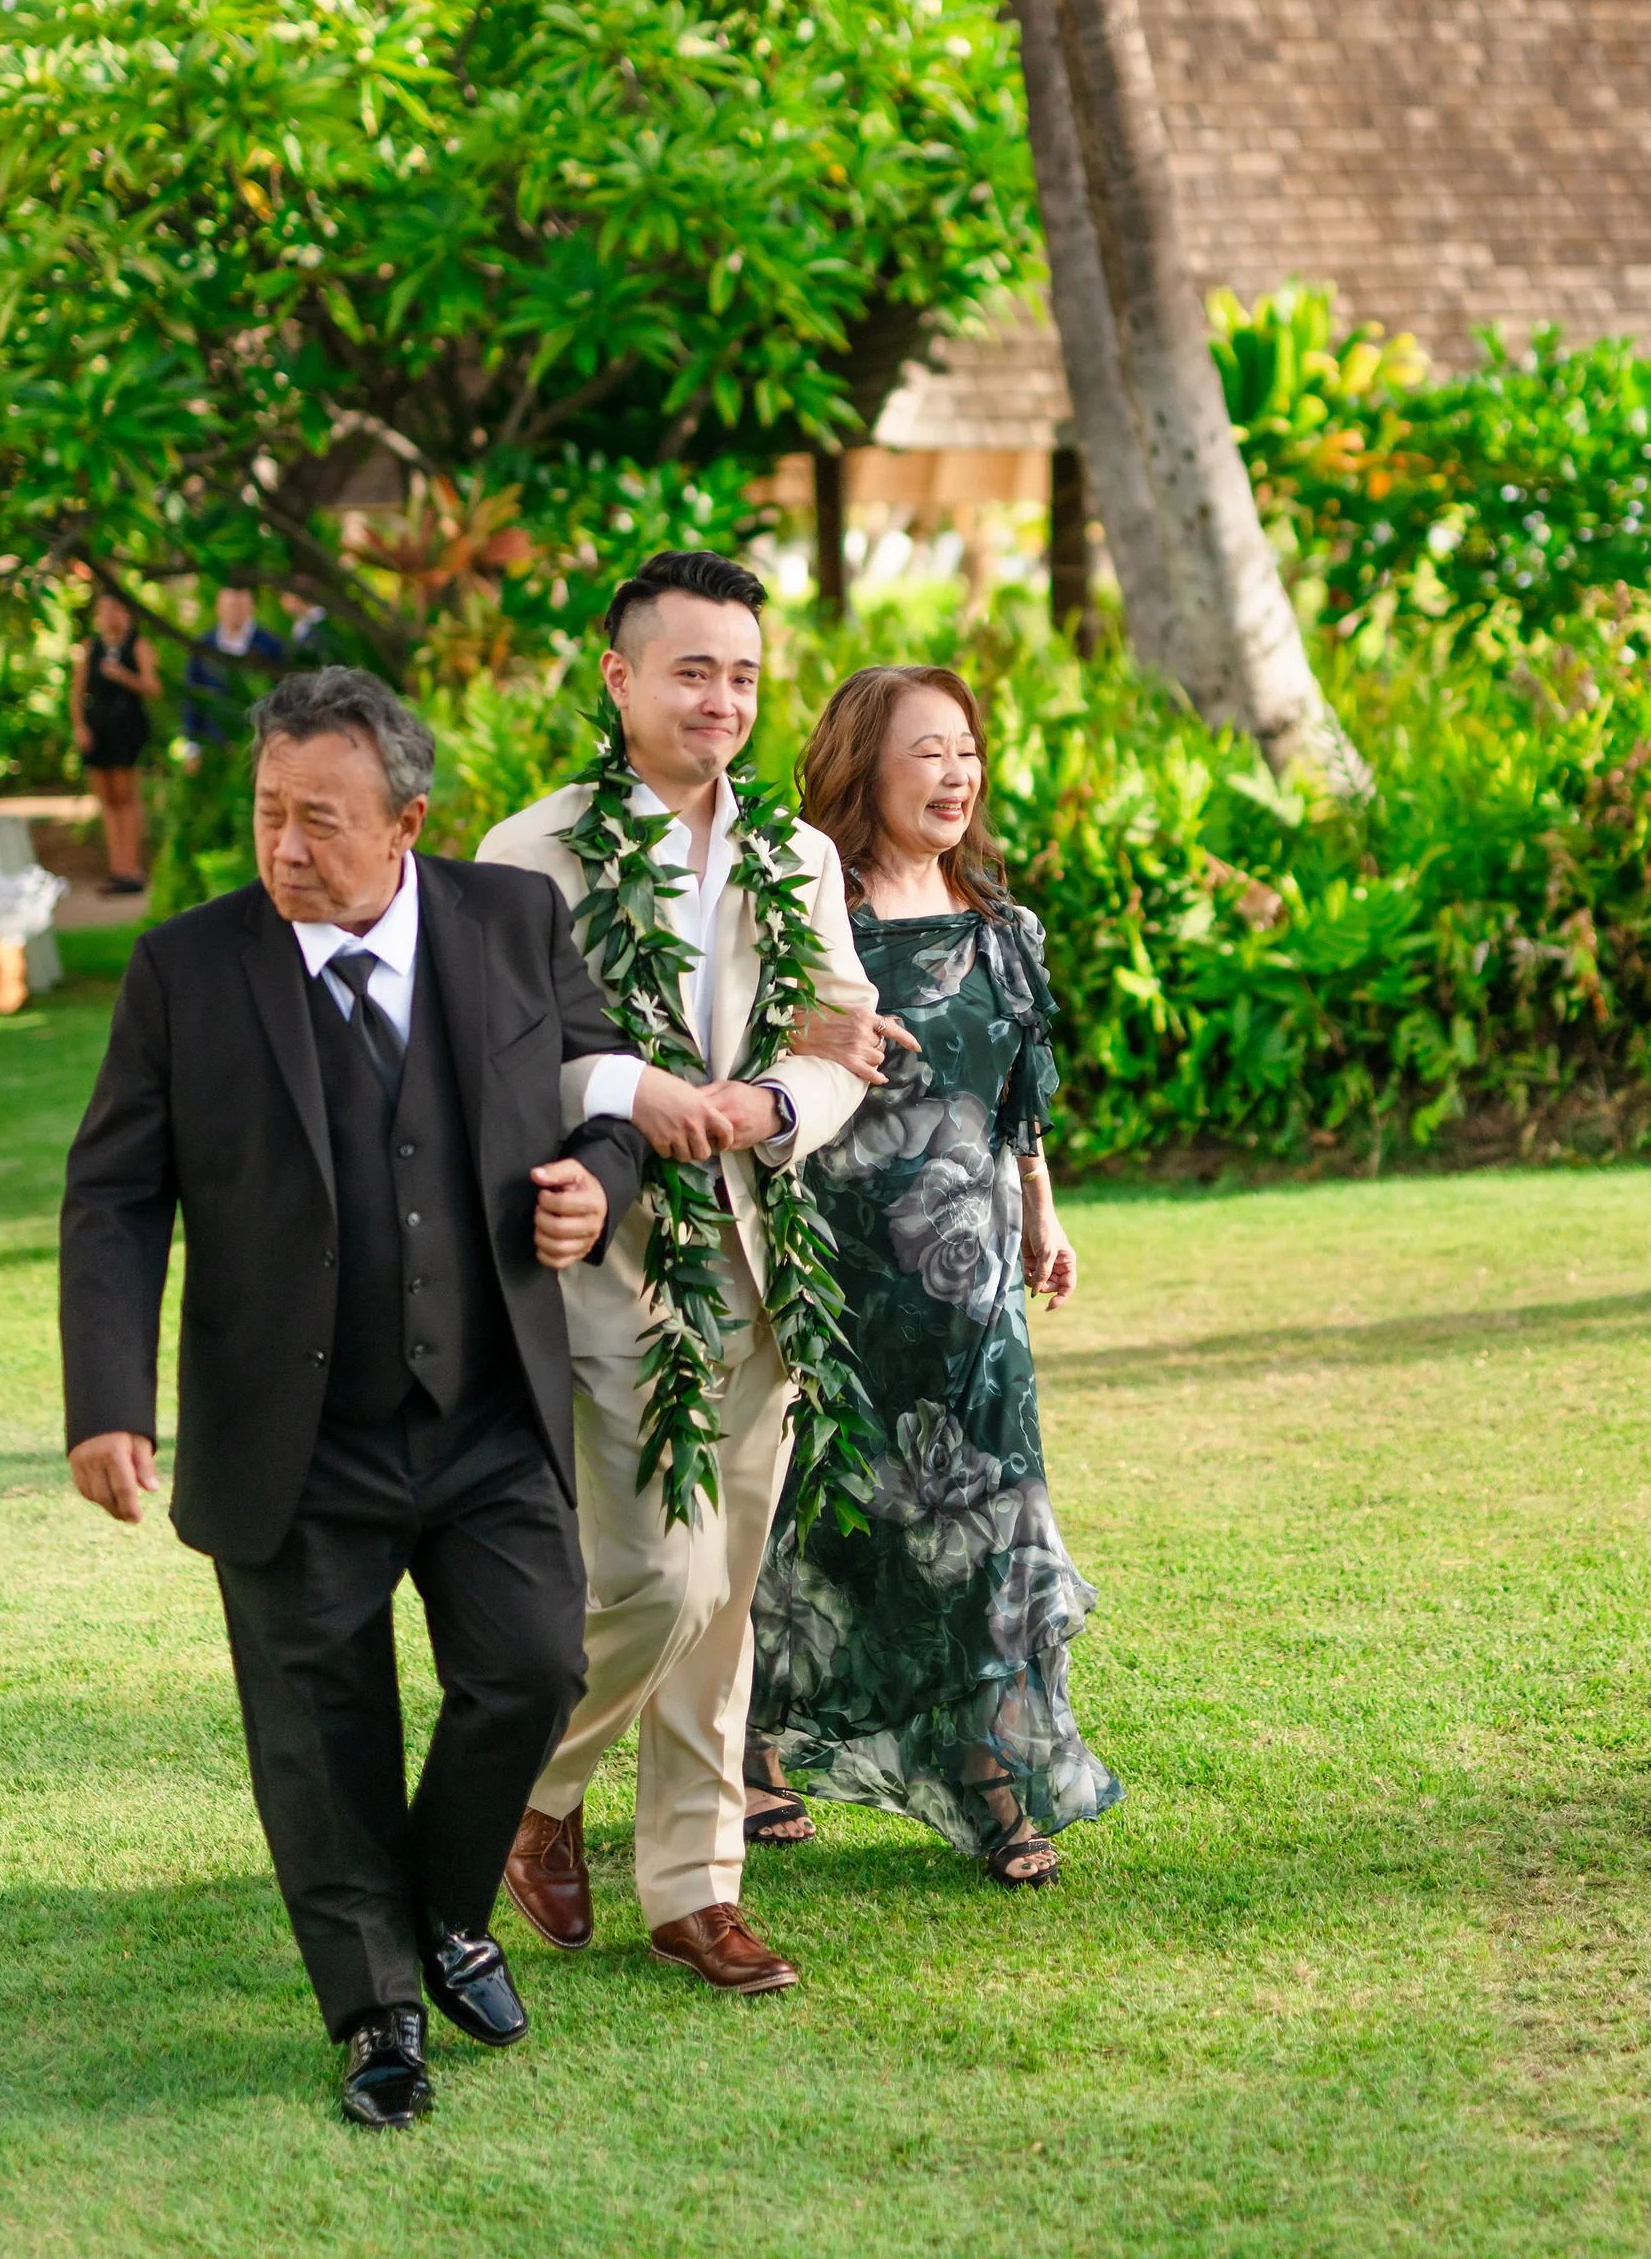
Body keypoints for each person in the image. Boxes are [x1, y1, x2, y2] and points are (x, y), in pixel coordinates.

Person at [60, 666, 645, 2132]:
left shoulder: (513, 923)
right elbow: (116, 1195)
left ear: (409, 823)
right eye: (268, 816)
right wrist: (107, 1397)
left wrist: (602, 1181)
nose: (284, 850)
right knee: (319, 1735)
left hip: (487, 1411)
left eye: (319, 822)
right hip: (290, 1434)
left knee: (531, 1667)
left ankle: (447, 1910)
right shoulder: (185, 972)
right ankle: (381, 2008)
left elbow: (609, 1093)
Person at [476, 547, 880, 1997]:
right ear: (621, 677)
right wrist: (639, 1087)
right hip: (605, 1240)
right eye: (693, 670)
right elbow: (499, 1047)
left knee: (730, 1595)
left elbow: (844, 1036)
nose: (722, 701)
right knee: (658, 1569)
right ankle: (528, 1789)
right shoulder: (538, 848)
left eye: (745, 677)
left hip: (766, 1246)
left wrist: (775, 1107)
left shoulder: (800, 856)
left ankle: (695, 1889)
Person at [745, 664, 1121, 1886]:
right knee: (822, 1512)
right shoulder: (809, 915)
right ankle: (750, 1740)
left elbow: (1015, 1105)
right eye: (926, 751)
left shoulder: (1004, 929)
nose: (955, 774)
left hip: (977, 1295)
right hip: (839, 1273)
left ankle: (992, 1774)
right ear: (863, 765)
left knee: (991, 1516)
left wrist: (1041, 1216)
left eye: (966, 750)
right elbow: (746, 1056)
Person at [70, 589, 161, 894]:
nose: (110, 616)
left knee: (127, 796)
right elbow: (77, 692)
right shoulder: (90, 647)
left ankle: (133, 867)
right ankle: (117, 867)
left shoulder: (138, 645)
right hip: (99, 727)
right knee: (107, 798)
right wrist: (80, 726)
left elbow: (153, 688)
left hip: (127, 725)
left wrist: (122, 676)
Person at [181, 581, 285, 767]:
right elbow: (192, 694)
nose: (235, 611)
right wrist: (192, 744)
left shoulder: (270, 646)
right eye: (231, 605)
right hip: (213, 743)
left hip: (258, 742)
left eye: (241, 605)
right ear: (219, 607)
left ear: (250, 607)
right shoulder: (204, 645)